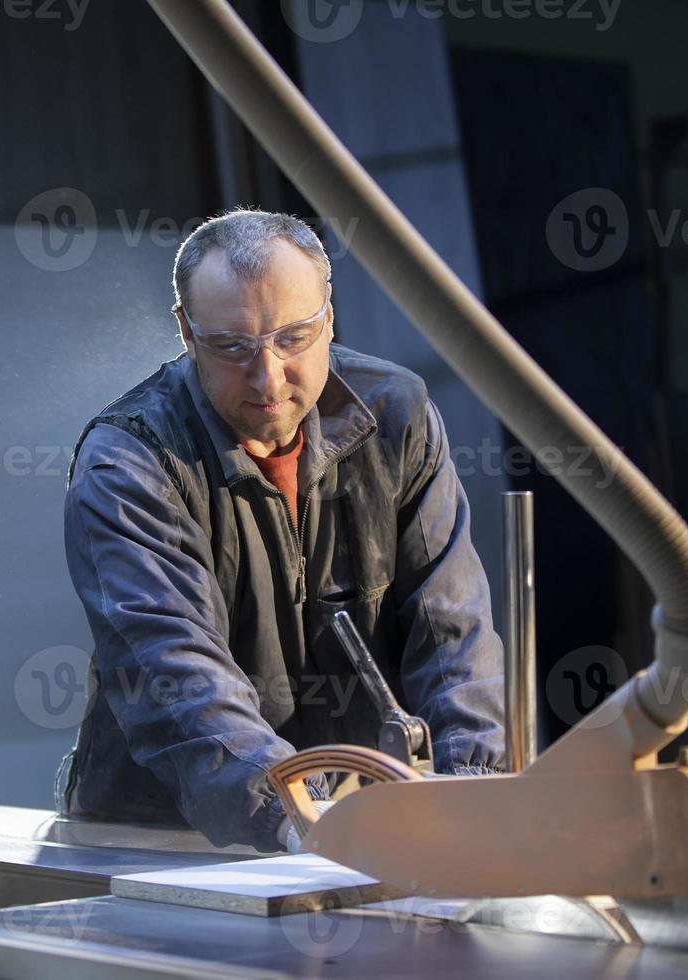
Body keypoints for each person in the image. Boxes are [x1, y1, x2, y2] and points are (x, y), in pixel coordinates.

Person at [54, 209, 505, 853]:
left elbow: (452, 629)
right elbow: (176, 677)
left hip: (358, 827)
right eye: (232, 346)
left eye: (293, 338)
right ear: (186, 332)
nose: (267, 379)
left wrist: (472, 796)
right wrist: (306, 819)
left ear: (329, 317)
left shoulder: (396, 418)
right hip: (164, 840)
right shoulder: (130, 461)